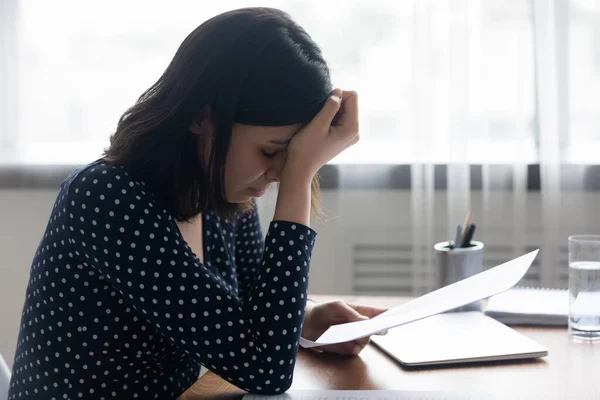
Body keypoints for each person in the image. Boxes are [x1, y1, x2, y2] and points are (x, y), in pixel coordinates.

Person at [8, 7, 386, 399]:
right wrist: (301, 176)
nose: (278, 174)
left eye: (293, 156)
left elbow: (253, 320)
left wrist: (304, 319)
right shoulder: (107, 198)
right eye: (270, 152)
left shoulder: (224, 194)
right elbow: (265, 369)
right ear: (200, 117)